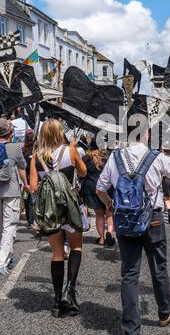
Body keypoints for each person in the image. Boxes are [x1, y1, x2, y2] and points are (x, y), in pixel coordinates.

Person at [96, 126, 170, 335]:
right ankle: (164, 312)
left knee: (129, 273)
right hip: (152, 218)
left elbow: (100, 188)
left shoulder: (115, 157)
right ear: (146, 134)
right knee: (158, 267)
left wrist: (110, 205)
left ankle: (130, 332)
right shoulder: (156, 157)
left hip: (125, 220)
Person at [30, 119, 87, 317]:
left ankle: (56, 301)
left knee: (56, 253)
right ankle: (69, 292)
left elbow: (34, 188)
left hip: (50, 211)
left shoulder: (36, 157)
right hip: (70, 208)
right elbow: (83, 171)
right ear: (59, 133)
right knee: (76, 248)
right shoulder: (70, 151)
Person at [0, 118, 29, 276]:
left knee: (1, 227)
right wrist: (26, 184)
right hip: (10, 191)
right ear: (10, 133)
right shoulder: (15, 147)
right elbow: (22, 167)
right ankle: (2, 261)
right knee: (9, 225)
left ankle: (8, 256)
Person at [81, 139, 115, 247]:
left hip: (91, 188)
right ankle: (109, 232)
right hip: (106, 187)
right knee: (109, 212)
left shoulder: (86, 158)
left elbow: (82, 173)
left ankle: (101, 239)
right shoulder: (108, 156)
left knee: (99, 214)